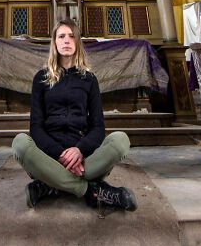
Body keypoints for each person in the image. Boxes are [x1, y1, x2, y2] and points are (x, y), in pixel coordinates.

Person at [12, 19, 137, 211]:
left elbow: (98, 127)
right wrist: (60, 155)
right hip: (50, 157)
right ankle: (91, 192)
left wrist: (79, 150)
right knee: (20, 143)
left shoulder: (89, 79)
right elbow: (36, 128)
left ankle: (50, 184)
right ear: (54, 42)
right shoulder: (41, 78)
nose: (67, 40)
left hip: (84, 159)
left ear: (78, 42)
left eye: (71, 36)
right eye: (61, 36)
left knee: (121, 140)